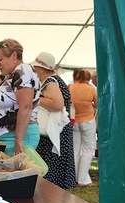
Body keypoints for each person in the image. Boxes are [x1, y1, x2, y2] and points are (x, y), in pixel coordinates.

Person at [0, 38, 40, 156]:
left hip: (19, 136)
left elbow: (26, 107)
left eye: (0, 59)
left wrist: (19, 141)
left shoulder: (23, 71)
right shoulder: (10, 74)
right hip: (8, 135)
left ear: (14, 56)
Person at [31, 52, 76, 190]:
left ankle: (51, 196)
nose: (34, 70)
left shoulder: (51, 82)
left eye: (36, 68)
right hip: (57, 131)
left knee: (51, 169)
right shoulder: (53, 81)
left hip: (53, 133)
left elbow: (57, 105)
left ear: (43, 69)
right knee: (54, 168)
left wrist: (34, 98)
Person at [69, 69, 98, 187]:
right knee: (88, 150)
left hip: (74, 121)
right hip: (88, 121)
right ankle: (82, 179)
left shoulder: (69, 87)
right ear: (87, 78)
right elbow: (97, 104)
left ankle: (73, 177)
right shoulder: (91, 89)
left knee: (75, 150)